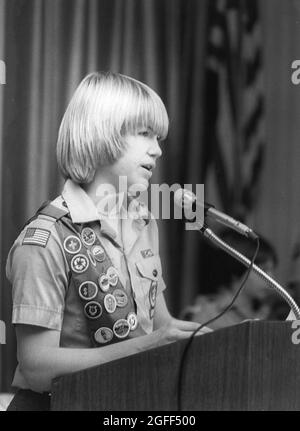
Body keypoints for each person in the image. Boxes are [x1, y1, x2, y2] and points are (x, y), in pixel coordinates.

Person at [6, 71, 208, 411]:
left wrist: (222, 339)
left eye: (158, 138)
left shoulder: (143, 223)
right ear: (103, 133)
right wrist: (151, 346)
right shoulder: (46, 237)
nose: (157, 150)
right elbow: (37, 368)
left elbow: (162, 328)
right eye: (144, 133)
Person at [181, 228, 285, 329]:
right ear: (238, 268)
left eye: (272, 270)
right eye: (263, 270)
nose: (271, 279)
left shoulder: (269, 311)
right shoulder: (208, 315)